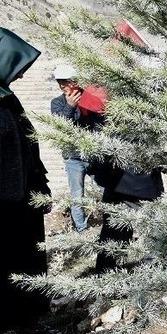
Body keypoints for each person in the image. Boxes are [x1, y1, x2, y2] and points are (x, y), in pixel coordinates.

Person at [0, 28, 52, 327]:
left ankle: (28, 322)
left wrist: (40, 185)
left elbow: (28, 144)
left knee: (27, 258)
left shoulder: (9, 100)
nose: (19, 77)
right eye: (16, 68)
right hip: (3, 205)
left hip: (23, 200)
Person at [50, 65, 99, 232]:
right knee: (77, 195)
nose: (62, 86)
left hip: (95, 154)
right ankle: (81, 229)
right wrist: (70, 106)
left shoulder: (91, 98)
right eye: (60, 83)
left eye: (65, 82)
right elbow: (61, 126)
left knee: (107, 190)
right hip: (74, 157)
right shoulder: (57, 103)